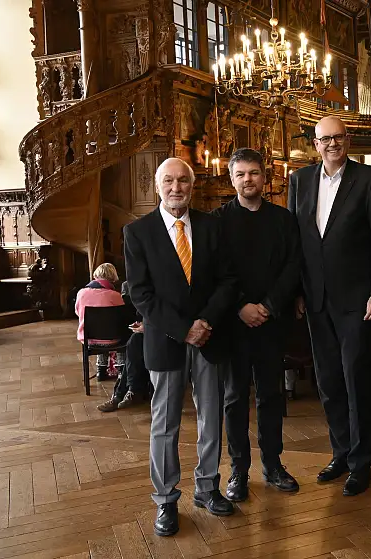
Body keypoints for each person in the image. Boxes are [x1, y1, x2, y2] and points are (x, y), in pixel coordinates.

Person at [124, 157, 237, 537]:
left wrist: (204, 323)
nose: (176, 188)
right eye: (169, 181)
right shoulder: (137, 232)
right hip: (166, 340)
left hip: (209, 337)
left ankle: (207, 488)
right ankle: (166, 499)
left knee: (211, 418)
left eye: (183, 181)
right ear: (158, 186)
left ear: (192, 185)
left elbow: (228, 281)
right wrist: (182, 329)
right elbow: (140, 293)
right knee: (165, 423)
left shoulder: (212, 226)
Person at [287, 116, 371, 496]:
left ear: (348, 140)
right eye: (325, 139)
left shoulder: (369, 179)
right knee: (328, 381)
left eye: (338, 138)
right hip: (315, 297)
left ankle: (362, 463)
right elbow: (295, 240)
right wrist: (297, 290)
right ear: (315, 144)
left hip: (357, 299)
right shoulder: (299, 181)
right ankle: (341, 453)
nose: (332, 144)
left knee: (356, 380)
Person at [212, 148, 302, 502]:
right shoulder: (217, 221)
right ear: (231, 179)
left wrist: (267, 305)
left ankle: (273, 464)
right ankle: (238, 470)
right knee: (234, 398)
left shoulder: (283, 219)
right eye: (240, 174)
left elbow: (293, 266)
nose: (247, 179)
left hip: (271, 321)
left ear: (265, 177)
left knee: (271, 395)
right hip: (233, 323)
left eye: (253, 173)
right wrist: (240, 307)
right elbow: (215, 271)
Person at [97, 281, 151, 412]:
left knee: (134, 343)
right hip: (152, 330)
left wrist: (147, 326)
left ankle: (122, 394)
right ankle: (130, 392)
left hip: (167, 331)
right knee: (134, 344)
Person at [74, 263, 125, 381]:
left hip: (88, 339)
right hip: (112, 339)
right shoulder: (116, 296)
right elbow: (122, 317)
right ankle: (122, 370)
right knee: (122, 332)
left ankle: (101, 370)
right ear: (113, 277)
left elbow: (78, 312)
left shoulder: (81, 293)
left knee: (98, 330)